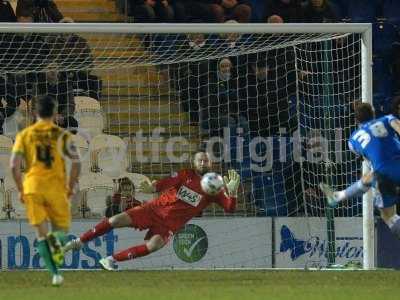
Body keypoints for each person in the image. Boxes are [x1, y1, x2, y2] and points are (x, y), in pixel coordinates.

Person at [63, 152, 240, 270]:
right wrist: (152, 187)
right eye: (200, 160)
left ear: (211, 163)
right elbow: (164, 183)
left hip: (170, 224)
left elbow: (230, 209)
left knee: (153, 246)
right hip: (153, 210)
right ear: (194, 163)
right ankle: (79, 241)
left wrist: (232, 193)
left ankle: (111, 260)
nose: (203, 162)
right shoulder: (185, 174)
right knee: (115, 220)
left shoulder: (214, 188)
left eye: (206, 160)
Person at [10, 95, 81, 285]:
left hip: (33, 188)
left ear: (35, 113)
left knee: (41, 235)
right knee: (61, 232)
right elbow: (76, 162)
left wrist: (20, 189)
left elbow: (14, 167)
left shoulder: (24, 135)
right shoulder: (62, 135)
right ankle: (55, 244)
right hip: (56, 188)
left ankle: (55, 275)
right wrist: (71, 185)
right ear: (55, 112)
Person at [320, 103, 400, 239]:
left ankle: (337, 197)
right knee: (370, 177)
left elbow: (367, 157)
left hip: (384, 174)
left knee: (388, 216)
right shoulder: (387, 118)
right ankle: (337, 196)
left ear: (356, 120)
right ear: (373, 113)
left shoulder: (352, 140)